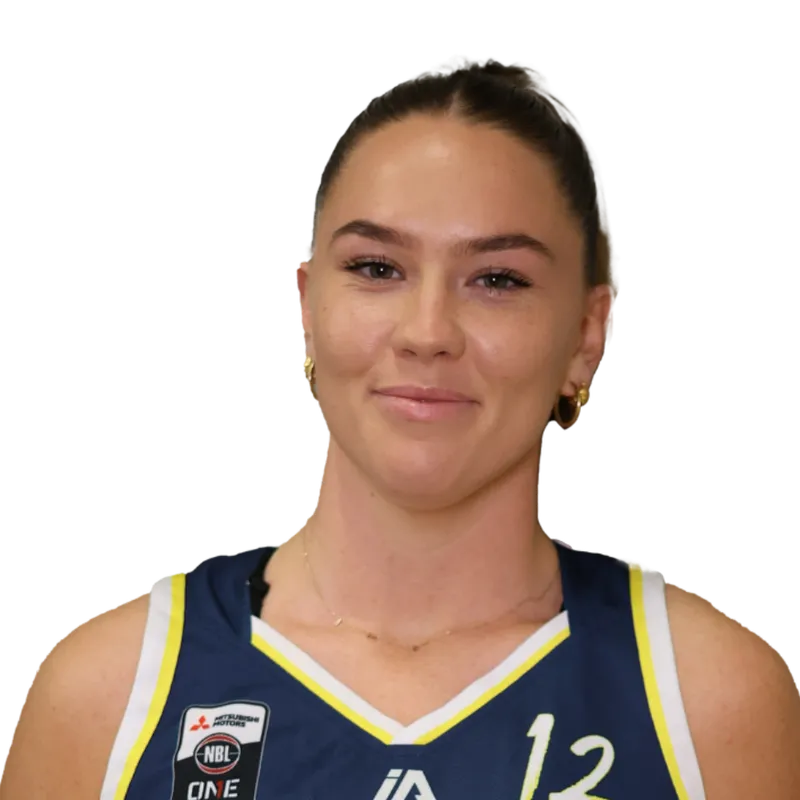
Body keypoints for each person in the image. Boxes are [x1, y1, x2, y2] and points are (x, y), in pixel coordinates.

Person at [3, 56, 798, 800]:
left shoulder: (705, 699)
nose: (427, 332)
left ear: (587, 334)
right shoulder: (110, 695)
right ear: (306, 307)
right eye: (377, 268)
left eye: (498, 279)